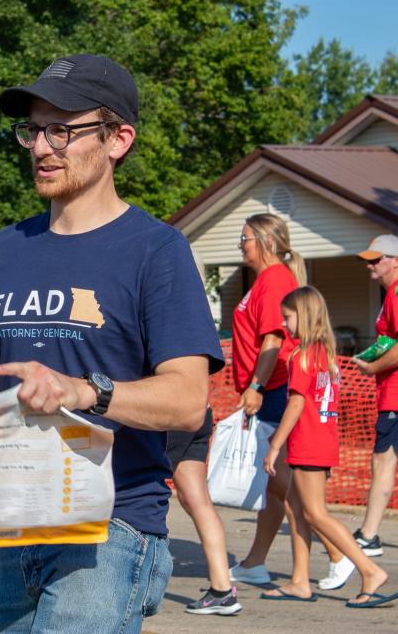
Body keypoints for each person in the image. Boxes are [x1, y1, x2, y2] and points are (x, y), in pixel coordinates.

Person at [0, 54, 223, 633]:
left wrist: (82, 391)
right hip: (11, 523)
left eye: (63, 130)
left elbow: (186, 401)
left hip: (110, 527)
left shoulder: (157, 250)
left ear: (117, 139)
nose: (41, 147)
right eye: (32, 130)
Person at [262, 286, 398, 607]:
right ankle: (300, 581)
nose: (285, 324)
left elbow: (297, 403)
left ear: (306, 315)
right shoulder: (325, 352)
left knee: (315, 513)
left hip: (308, 441)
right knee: (294, 508)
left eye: (288, 317)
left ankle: (369, 571)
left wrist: (275, 446)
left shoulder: (301, 356)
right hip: (322, 439)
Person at [228, 213, 307, 585]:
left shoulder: (275, 280)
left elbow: (273, 341)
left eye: (245, 238)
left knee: (284, 483)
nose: (240, 244)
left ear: (267, 242)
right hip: (271, 389)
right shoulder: (265, 280)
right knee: (277, 484)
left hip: (274, 390)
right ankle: (255, 563)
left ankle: (340, 555)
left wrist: (255, 388)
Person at [167, 251, 241, 615]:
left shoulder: (169, 309)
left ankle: (128, 577)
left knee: (131, 496)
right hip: (200, 413)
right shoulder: (198, 313)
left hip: (169, 415)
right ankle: (223, 588)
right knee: (197, 500)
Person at [351, 234, 398, 557]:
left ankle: (369, 534)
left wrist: (373, 368)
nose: (371, 266)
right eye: (369, 260)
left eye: (377, 260)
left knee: (383, 459)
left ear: (397, 260)